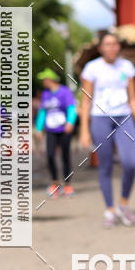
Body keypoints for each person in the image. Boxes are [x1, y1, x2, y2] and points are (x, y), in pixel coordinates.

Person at [79, 32, 135, 227]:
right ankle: (109, 210)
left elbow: (133, 97)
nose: (112, 47)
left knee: (130, 163)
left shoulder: (127, 67)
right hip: (100, 119)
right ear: (100, 48)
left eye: (115, 44)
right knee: (105, 165)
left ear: (119, 46)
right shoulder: (92, 68)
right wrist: (84, 130)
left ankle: (123, 204)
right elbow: (86, 100)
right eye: (107, 44)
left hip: (124, 117)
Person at [34, 69, 77, 197]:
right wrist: (38, 128)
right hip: (51, 130)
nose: (43, 81)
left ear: (51, 79)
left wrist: (70, 122)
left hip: (64, 130)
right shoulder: (45, 94)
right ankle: (54, 183)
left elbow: (71, 108)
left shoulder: (65, 92)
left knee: (65, 156)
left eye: (44, 79)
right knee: (50, 155)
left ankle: (67, 185)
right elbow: (42, 111)